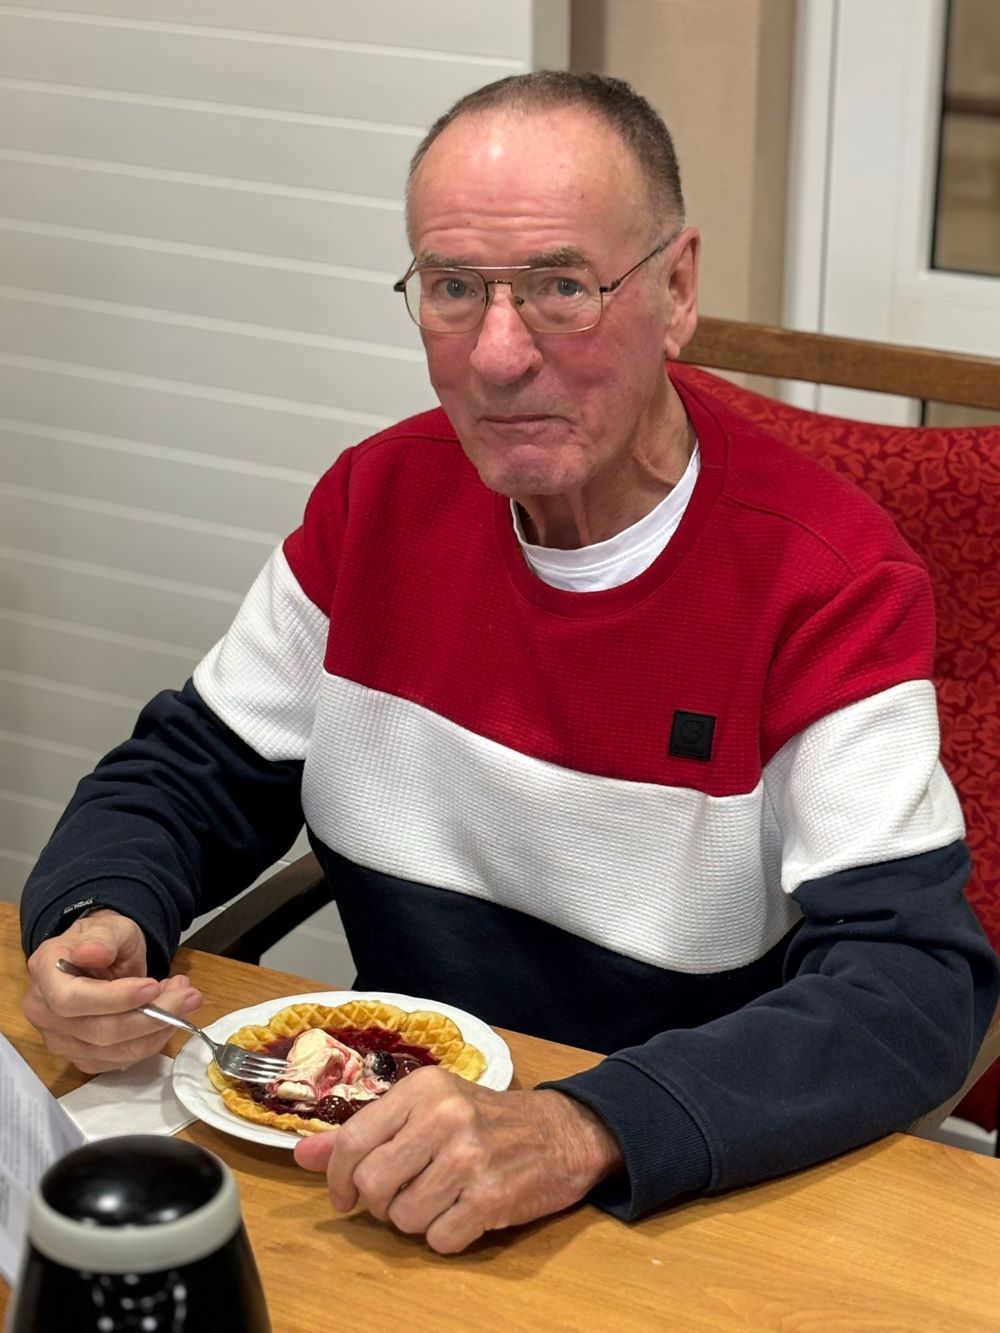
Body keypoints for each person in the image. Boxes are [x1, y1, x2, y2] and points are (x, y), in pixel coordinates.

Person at [19, 72, 999, 1255]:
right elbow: (189, 770)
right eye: (451, 287)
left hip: (677, 1192)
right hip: (378, 1172)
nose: (494, 355)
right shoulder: (373, 501)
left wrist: (583, 1124)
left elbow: (911, 986)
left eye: (559, 288)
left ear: (676, 288)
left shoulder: (825, 580)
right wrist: (98, 910)